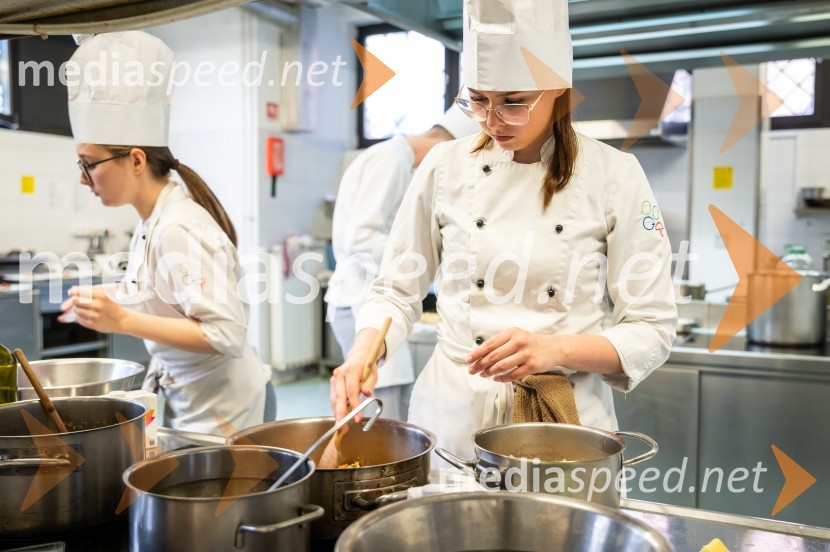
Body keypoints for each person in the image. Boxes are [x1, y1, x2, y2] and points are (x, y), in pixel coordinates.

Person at [330, 0, 677, 459]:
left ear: (557, 89)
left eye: (513, 103)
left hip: (561, 422)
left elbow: (652, 328)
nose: (492, 121)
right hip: (451, 419)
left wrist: (556, 349)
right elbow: (396, 289)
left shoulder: (615, 174)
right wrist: (362, 355)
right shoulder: (442, 166)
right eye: (477, 100)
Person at [58, 31, 275, 439]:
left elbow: (225, 334)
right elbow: (169, 297)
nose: (83, 179)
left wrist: (123, 319)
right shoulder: (152, 220)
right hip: (194, 401)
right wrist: (117, 295)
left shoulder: (178, 226)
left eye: (89, 164)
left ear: (136, 160)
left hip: (226, 411)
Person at [325, 107, 481, 421]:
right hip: (364, 300)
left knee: (386, 406)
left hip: (364, 297)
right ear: (446, 147)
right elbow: (361, 238)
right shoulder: (390, 161)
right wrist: (427, 257)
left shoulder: (391, 159)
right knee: (381, 412)